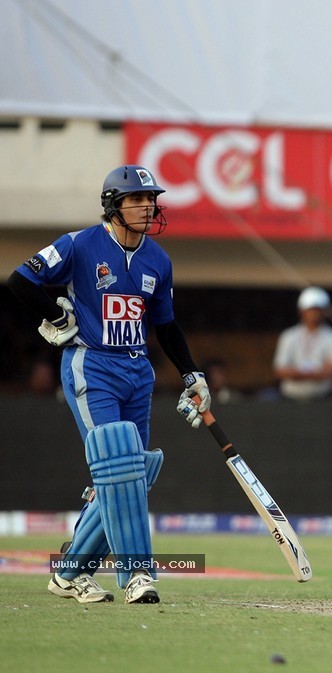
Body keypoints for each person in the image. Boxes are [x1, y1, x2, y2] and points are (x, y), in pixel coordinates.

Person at [7, 165, 211, 604]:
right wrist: (56, 315)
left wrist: (193, 374)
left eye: (150, 198)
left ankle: (70, 572)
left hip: (138, 371)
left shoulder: (159, 259)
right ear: (113, 205)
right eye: (136, 199)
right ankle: (138, 574)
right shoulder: (80, 244)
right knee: (116, 465)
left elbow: (167, 326)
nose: (147, 206)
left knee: (130, 473)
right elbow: (20, 280)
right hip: (91, 365)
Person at [273, 286, 332, 400]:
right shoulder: (289, 336)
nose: (313, 314)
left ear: (324, 312)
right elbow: (280, 370)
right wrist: (315, 374)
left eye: (317, 310)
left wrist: (296, 373)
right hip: (290, 398)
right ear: (301, 311)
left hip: (323, 398)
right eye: (310, 310)